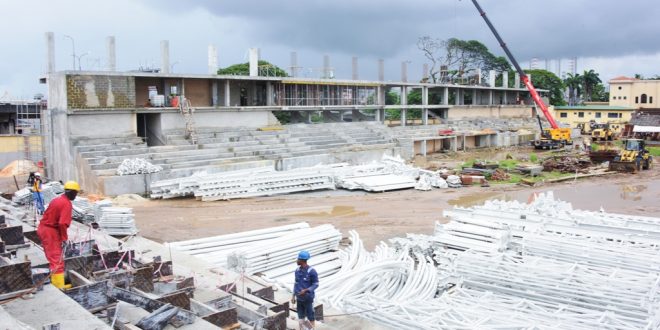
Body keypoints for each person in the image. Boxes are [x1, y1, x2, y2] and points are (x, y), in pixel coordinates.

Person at [36, 180, 80, 289]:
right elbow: (62, 223)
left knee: (53, 258)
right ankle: (59, 287)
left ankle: (56, 282)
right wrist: (64, 238)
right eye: (76, 193)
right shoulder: (66, 204)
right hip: (50, 232)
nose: (76, 195)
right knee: (57, 260)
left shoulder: (57, 199)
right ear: (72, 192)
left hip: (44, 229)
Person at [291, 250, 319, 329]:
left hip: (308, 299)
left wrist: (306, 290)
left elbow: (316, 284)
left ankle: (312, 328)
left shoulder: (311, 271)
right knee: (300, 316)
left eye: (298, 259)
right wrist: (293, 296)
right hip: (299, 299)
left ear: (302, 260)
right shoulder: (297, 271)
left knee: (310, 316)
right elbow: (295, 283)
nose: (297, 260)